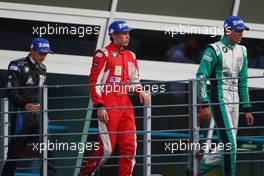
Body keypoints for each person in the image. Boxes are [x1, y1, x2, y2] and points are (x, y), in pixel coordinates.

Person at [80, 20, 150, 176]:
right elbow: (94, 82)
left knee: (130, 146)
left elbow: (134, 82)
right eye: (124, 33)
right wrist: (100, 106)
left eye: (128, 33)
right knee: (107, 149)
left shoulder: (132, 55)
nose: (128, 37)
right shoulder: (102, 54)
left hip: (126, 105)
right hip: (109, 103)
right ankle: (85, 174)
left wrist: (141, 92)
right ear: (113, 35)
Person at [196, 16, 254, 176]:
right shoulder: (213, 49)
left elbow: (243, 82)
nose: (241, 34)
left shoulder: (243, 50)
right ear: (227, 31)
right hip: (219, 98)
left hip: (235, 100)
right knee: (230, 144)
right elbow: (201, 77)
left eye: (243, 30)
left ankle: (200, 168)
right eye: (238, 30)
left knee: (229, 143)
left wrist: (247, 108)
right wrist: (205, 104)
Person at [2, 38, 57, 176]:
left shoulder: (43, 68)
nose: (43, 56)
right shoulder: (17, 65)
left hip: (39, 116)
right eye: (41, 53)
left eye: (46, 54)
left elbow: (41, 94)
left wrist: (44, 113)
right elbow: (11, 91)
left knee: (47, 152)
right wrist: (25, 104)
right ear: (31, 50)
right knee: (14, 154)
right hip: (22, 115)